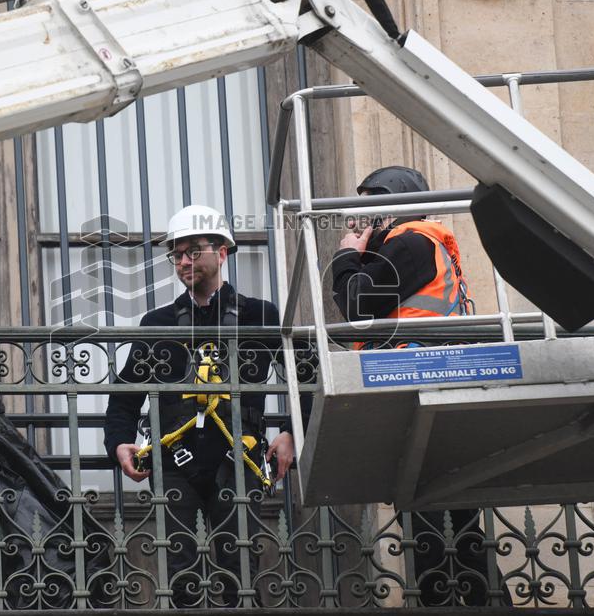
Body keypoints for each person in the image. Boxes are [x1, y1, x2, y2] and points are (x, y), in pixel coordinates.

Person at [103, 204, 309, 608]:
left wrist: (291, 433)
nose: (183, 261)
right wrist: (120, 443)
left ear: (223, 253)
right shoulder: (157, 323)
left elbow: (312, 381)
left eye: (194, 251)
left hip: (238, 458)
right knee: (179, 571)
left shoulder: (260, 316)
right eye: (176, 254)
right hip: (173, 461)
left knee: (241, 569)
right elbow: (124, 400)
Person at [330, 166, 509, 607]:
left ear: (391, 207)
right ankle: (472, 598)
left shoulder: (409, 242)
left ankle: (455, 599)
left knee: (434, 523)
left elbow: (357, 304)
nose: (359, 222)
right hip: (429, 384)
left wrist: (345, 256)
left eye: (368, 209)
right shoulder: (418, 245)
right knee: (448, 521)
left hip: (420, 383)